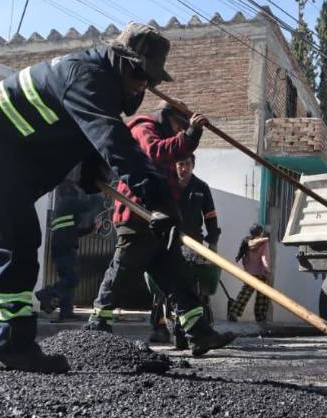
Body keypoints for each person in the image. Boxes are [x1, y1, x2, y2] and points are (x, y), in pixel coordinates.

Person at [0, 22, 232, 373]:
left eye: (150, 80)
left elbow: (85, 136)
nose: (142, 87)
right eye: (140, 76)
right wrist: (158, 201)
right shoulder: (89, 77)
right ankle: (13, 346)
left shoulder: (94, 81)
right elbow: (116, 144)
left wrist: (91, 170)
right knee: (18, 243)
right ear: (121, 62)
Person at [86, 102, 236, 356]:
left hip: (161, 222)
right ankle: (98, 324)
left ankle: (199, 333)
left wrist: (173, 217)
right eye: (179, 126)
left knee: (177, 278)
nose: (179, 132)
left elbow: (170, 174)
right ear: (167, 118)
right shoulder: (144, 128)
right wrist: (190, 135)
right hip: (137, 217)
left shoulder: (167, 139)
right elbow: (155, 152)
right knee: (122, 271)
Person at [154, 153, 222, 346]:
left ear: (193, 165)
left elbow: (210, 217)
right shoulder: (167, 185)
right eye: (180, 164)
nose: (184, 168)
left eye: (187, 164)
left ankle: (194, 327)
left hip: (193, 244)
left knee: (192, 286)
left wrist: (212, 245)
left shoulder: (201, 188)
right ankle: (161, 327)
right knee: (164, 286)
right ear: (175, 166)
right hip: (169, 240)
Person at [34, 179, 93, 322]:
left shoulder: (62, 205)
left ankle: (66, 312)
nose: (77, 190)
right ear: (69, 189)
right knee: (72, 279)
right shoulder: (69, 201)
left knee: (68, 280)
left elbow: (71, 231)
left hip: (60, 247)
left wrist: (90, 229)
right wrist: (95, 192)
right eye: (75, 187)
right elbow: (88, 205)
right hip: (65, 248)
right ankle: (46, 293)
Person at [227, 224, 271, 324]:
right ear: (261, 233)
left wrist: (247, 267)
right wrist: (267, 269)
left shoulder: (246, 241)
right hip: (261, 273)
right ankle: (260, 318)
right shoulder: (264, 243)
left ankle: (234, 312)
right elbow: (264, 257)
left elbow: (244, 258)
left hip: (249, 273)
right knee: (262, 296)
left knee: (245, 293)